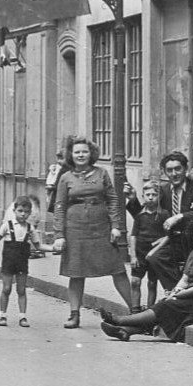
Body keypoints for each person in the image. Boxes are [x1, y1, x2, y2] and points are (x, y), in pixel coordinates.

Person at [98, 217, 193, 343]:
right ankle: (126, 331)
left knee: (166, 307)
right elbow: (185, 279)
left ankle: (119, 320)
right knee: (166, 303)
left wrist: (185, 294)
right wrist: (175, 291)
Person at [51, 136, 136, 328]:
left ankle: (135, 310)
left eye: (84, 152)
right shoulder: (65, 178)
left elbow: (113, 200)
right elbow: (59, 207)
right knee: (76, 272)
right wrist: (59, 235)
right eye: (77, 152)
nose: (81, 155)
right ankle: (74, 314)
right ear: (71, 155)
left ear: (91, 154)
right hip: (75, 229)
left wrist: (116, 226)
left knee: (118, 269)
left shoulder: (102, 173)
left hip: (101, 228)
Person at [144, 151, 193, 292]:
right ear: (165, 172)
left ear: (185, 169)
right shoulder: (164, 190)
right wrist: (133, 200)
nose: (174, 174)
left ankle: (184, 294)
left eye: (178, 169)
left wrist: (180, 216)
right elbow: (149, 213)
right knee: (155, 257)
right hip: (173, 240)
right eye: (169, 170)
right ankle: (175, 292)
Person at [0, 196, 40, 327]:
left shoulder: (30, 229)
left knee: (21, 289)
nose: (23, 214)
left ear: (30, 213)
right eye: (20, 211)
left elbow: (39, 246)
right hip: (8, 261)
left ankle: (22, 317)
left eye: (26, 212)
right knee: (6, 288)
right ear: (14, 210)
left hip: (22, 263)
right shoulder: (7, 226)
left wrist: (53, 248)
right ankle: (2, 315)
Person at [125, 178, 168, 309]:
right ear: (143, 197)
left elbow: (167, 236)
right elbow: (133, 235)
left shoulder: (164, 214)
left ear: (159, 197)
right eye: (148, 195)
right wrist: (132, 256)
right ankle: (135, 309)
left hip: (154, 254)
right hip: (140, 253)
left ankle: (150, 310)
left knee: (152, 283)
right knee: (135, 281)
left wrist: (156, 251)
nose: (150, 198)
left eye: (154, 195)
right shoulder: (140, 215)